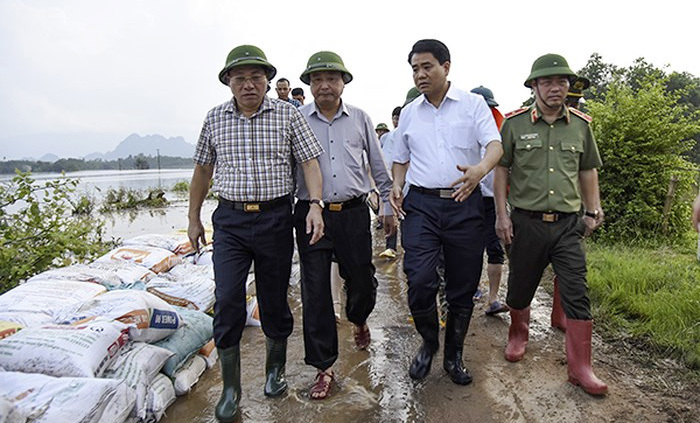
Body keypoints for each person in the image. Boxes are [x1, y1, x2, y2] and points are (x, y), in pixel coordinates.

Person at [187, 44, 325, 421]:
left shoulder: (287, 115)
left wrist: (315, 203)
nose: (249, 85)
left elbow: (310, 161)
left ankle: (274, 371)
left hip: (275, 219)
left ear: (267, 81)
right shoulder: (215, 119)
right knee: (228, 296)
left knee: (273, 297)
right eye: (240, 78)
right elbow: (202, 171)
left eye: (256, 77)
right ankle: (231, 389)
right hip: (230, 222)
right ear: (228, 82)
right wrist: (193, 217)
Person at [390, 39, 503, 385]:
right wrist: (397, 185)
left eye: (427, 66)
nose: (420, 74)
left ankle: (454, 354)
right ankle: (428, 343)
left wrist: (479, 170)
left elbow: (495, 146)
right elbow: (400, 158)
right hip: (421, 205)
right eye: (414, 69)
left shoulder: (472, 105)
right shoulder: (409, 112)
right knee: (420, 278)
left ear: (446, 66)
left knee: (463, 284)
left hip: (463, 200)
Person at [494, 53, 607, 396]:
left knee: (577, 290)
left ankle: (580, 367)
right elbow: (502, 170)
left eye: (562, 82)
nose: (555, 88)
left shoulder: (581, 126)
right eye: (547, 82)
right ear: (534, 86)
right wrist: (501, 215)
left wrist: (592, 210)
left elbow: (588, 169)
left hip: (567, 225)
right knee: (521, 286)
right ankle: (518, 334)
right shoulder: (514, 125)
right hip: (526, 222)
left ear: (569, 87)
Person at [294, 50, 396, 400]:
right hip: (311, 214)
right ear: (308, 85)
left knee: (362, 280)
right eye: (317, 79)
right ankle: (324, 367)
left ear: (343, 83)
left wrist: (386, 203)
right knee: (316, 290)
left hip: (353, 212)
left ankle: (359, 317)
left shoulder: (361, 118)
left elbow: (377, 164)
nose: (325, 85)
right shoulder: (296, 120)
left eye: (332, 78)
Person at [470, 85, 508, 316]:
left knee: (494, 249)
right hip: (469, 198)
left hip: (494, 200)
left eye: (490, 107)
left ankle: (493, 299)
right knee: (469, 249)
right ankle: (471, 288)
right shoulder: (461, 131)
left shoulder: (500, 134)